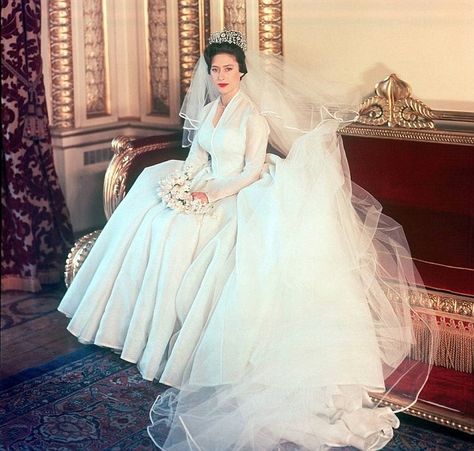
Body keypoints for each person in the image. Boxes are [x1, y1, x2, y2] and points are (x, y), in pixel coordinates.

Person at [59, 30, 437, 450]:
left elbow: (251, 171)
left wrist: (210, 193)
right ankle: (150, 337)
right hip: (205, 183)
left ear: (242, 72)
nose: (221, 75)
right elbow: (198, 157)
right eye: (215, 69)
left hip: (239, 191)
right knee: (156, 212)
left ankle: (188, 351)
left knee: (195, 236)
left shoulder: (252, 117)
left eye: (228, 69)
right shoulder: (206, 112)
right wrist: (184, 184)